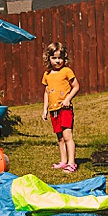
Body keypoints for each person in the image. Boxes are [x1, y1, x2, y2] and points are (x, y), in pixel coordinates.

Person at [42, 42, 81, 172]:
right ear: (49, 59)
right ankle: (63, 161)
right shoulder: (47, 74)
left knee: (67, 135)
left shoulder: (67, 71)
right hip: (53, 110)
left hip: (64, 109)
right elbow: (47, 92)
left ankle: (72, 163)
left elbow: (76, 86)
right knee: (60, 138)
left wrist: (67, 99)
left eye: (60, 58)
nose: (58, 61)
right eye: (54, 58)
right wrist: (45, 109)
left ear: (64, 58)